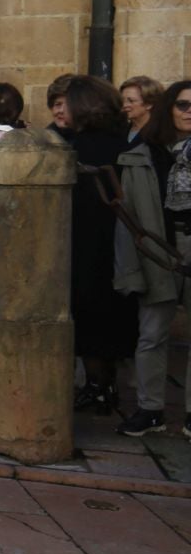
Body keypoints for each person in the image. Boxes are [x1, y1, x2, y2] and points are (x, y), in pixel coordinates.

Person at [114, 79, 190, 437]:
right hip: (159, 247)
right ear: (169, 108)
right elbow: (127, 217)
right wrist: (129, 267)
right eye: (183, 105)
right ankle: (151, 409)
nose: (189, 113)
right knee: (152, 333)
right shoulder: (144, 153)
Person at [63, 75, 138, 414]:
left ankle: (98, 386)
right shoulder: (126, 145)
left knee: (91, 315)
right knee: (113, 313)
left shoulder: (75, 151)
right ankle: (106, 385)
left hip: (86, 243)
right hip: (121, 243)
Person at [120, 75, 161, 144]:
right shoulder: (120, 131)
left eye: (131, 101)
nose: (124, 105)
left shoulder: (160, 134)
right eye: (122, 100)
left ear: (149, 104)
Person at [46, 73, 76, 137]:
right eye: (58, 104)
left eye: (69, 104)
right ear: (51, 108)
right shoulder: (45, 139)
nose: (61, 110)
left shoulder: (93, 139)